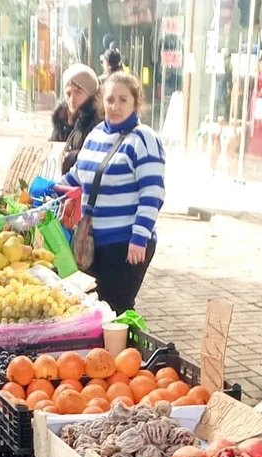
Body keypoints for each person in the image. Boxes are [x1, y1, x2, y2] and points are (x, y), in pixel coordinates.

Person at [60, 72, 165, 314]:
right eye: (109, 100)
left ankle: (128, 351)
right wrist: (51, 189)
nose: (115, 106)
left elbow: (153, 193)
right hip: (91, 243)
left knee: (116, 309)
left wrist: (139, 237)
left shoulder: (143, 139)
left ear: (136, 103)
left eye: (123, 100)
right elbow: (78, 176)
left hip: (125, 244)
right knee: (93, 308)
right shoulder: (96, 134)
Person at [51, 63, 102, 175]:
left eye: (78, 92)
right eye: (68, 93)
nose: (72, 99)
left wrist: (71, 157)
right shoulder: (61, 121)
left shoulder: (98, 123)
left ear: (91, 94)